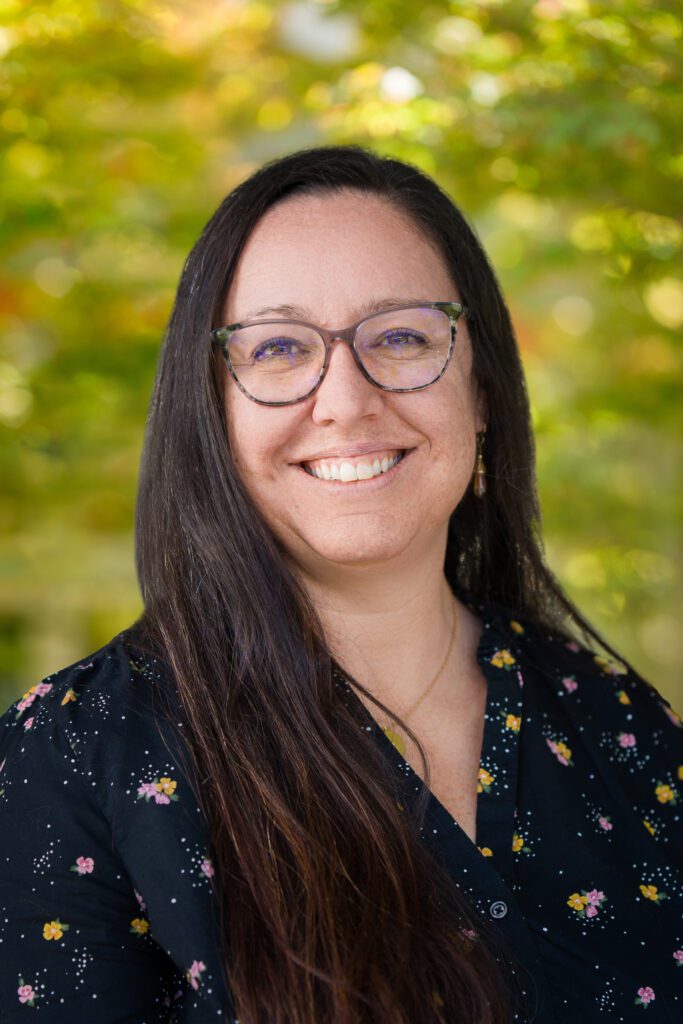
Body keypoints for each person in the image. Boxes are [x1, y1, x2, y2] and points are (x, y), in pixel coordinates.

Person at [0, 145, 680, 1024]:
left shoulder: (618, 727)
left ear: (480, 390)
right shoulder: (74, 756)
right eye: (278, 348)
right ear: (210, 409)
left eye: (400, 336)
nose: (345, 400)